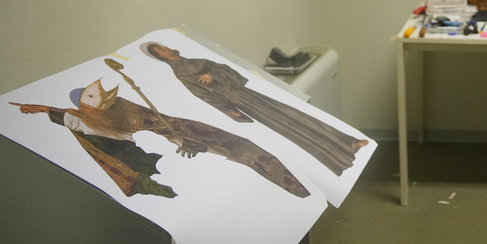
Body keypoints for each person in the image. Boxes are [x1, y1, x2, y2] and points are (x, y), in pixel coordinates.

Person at [12, 80, 310, 198]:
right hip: (133, 149)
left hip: (183, 131)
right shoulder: (82, 117)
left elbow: (159, 125)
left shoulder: (121, 107)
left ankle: (293, 181)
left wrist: (182, 140)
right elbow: (67, 117)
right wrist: (39, 108)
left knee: (237, 146)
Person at [142, 42, 367, 176]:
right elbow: (201, 93)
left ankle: (347, 142)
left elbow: (219, 68)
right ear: (159, 56)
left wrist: (214, 73)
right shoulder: (180, 70)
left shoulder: (187, 59)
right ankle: (338, 157)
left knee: (295, 114)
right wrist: (229, 110)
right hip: (239, 98)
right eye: (159, 49)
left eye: (161, 45)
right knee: (288, 128)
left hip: (246, 93)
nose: (164, 48)